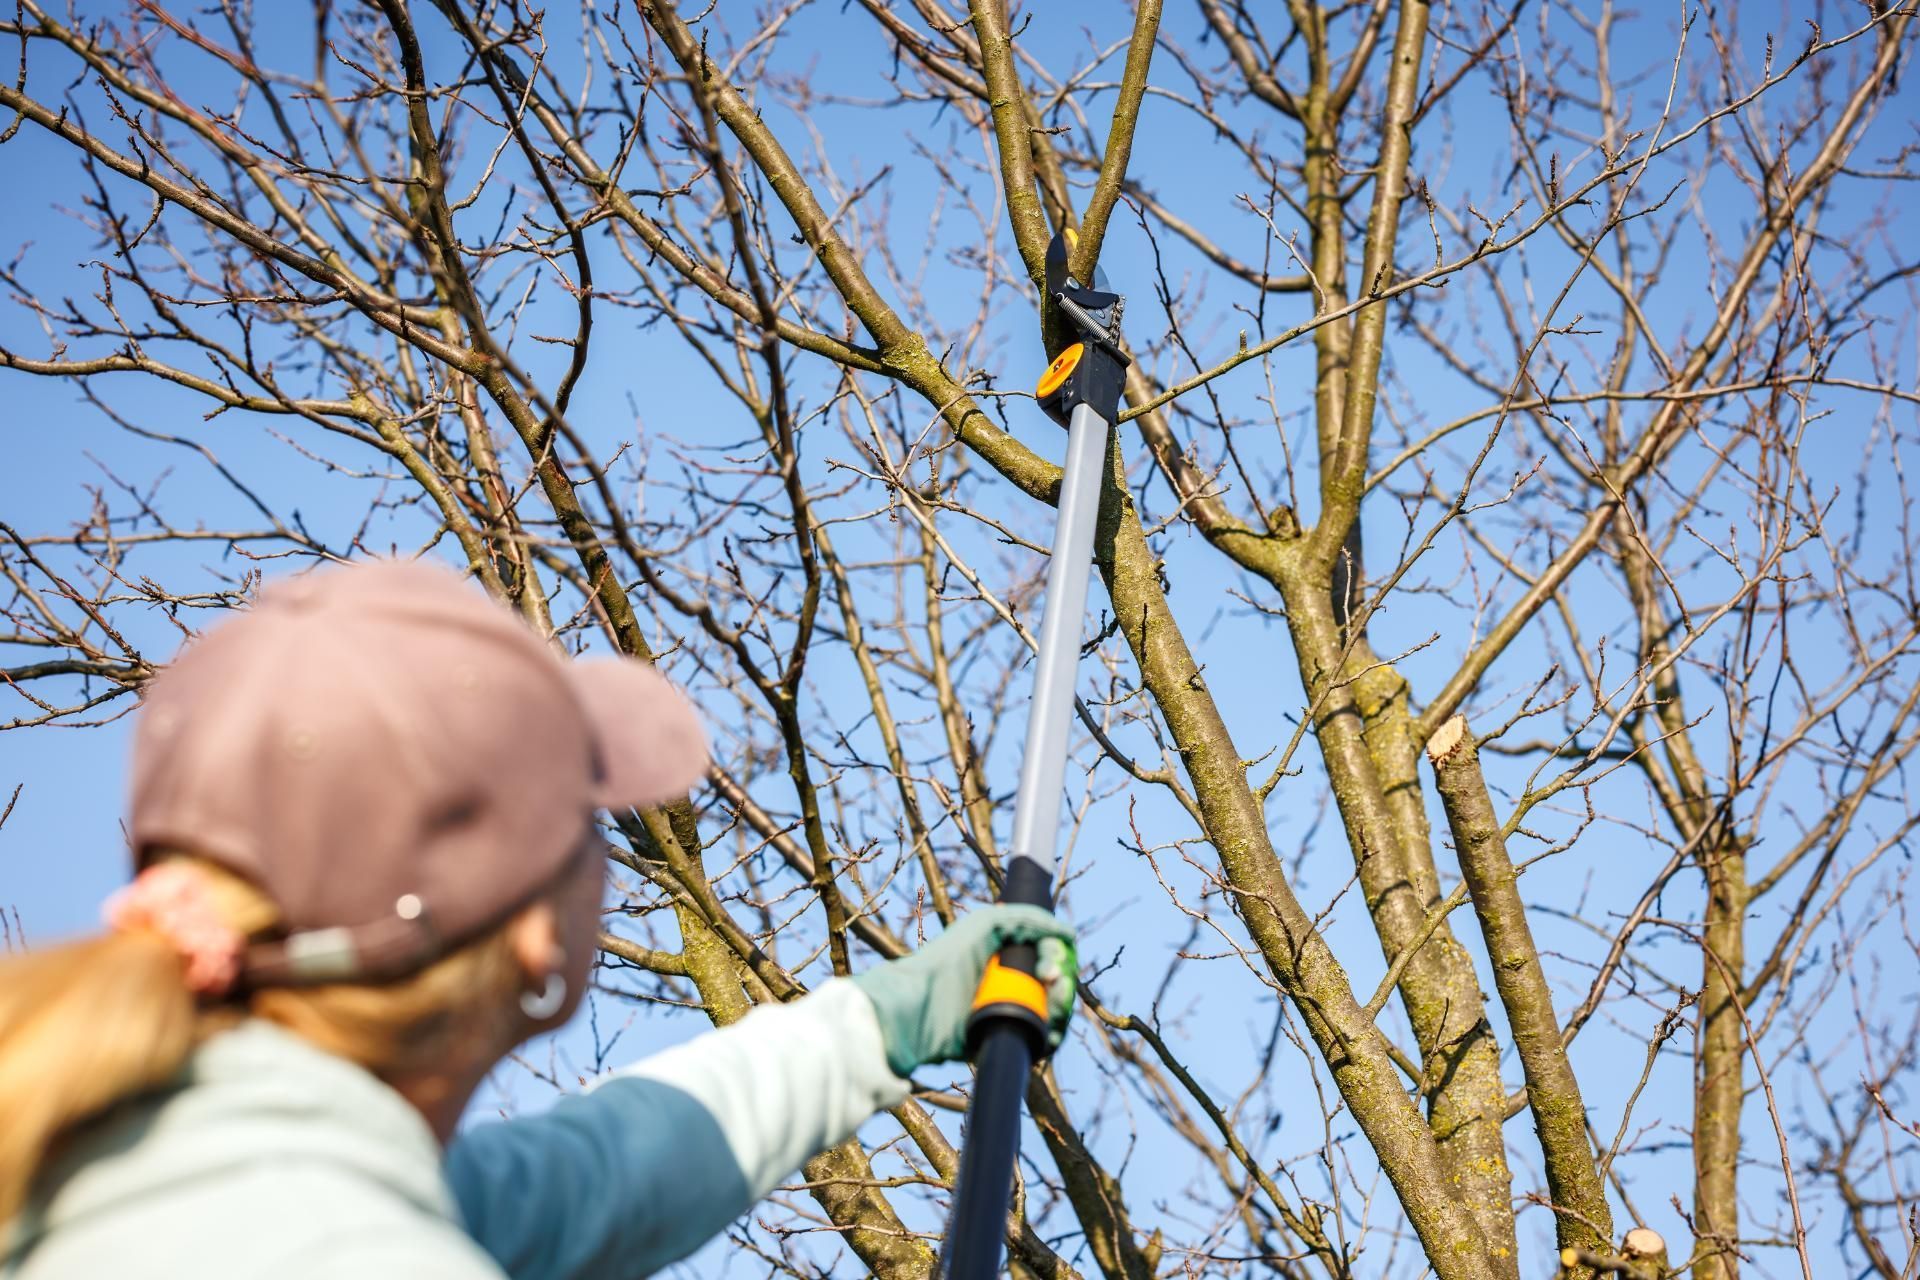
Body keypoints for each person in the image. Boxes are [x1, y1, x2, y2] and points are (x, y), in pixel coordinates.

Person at [0, 560, 1076, 1279]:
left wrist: (882, 1020)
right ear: (530, 930)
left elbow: (608, 1165)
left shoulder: (143, 1158)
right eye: (589, 824)